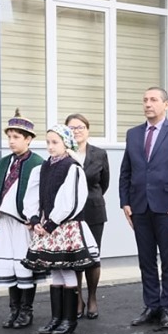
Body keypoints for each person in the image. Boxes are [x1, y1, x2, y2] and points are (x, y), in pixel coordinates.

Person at [120, 87, 168, 331]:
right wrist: (125, 202)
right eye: (145, 100)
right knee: (146, 259)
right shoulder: (133, 134)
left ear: (166, 104)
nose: (148, 104)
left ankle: (166, 308)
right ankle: (151, 305)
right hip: (139, 206)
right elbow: (126, 171)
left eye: (153, 100)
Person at [22, 124, 100, 334]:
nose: (50, 146)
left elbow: (71, 201)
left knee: (66, 269)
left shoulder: (72, 167)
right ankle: (56, 318)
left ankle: (69, 320)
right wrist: (35, 219)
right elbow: (32, 195)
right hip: (48, 226)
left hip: (66, 227)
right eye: (48, 142)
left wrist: (50, 224)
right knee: (55, 271)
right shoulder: (43, 168)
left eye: (55, 142)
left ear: (66, 143)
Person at [0, 109, 45, 329]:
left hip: (24, 225)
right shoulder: (2, 164)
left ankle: (26, 311)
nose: (11, 141)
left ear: (28, 139)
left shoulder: (38, 164)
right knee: (10, 266)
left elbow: (43, 195)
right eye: (9, 137)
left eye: (16, 137)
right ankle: (14, 310)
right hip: (5, 223)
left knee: (24, 266)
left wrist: (36, 219)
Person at [66, 113, 109, 320]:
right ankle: (78, 299)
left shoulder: (99, 154)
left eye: (80, 127)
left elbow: (104, 183)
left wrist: (91, 197)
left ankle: (92, 297)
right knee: (75, 258)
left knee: (92, 257)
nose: (77, 131)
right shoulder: (62, 153)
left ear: (88, 130)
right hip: (70, 213)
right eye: (72, 128)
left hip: (94, 211)